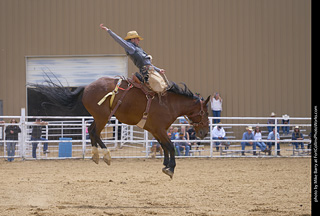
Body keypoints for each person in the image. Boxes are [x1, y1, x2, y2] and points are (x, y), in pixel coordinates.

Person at [100, 24, 165, 83]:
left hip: (150, 71)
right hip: (146, 73)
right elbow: (119, 40)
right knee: (158, 85)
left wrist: (159, 70)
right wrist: (108, 30)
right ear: (132, 39)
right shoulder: (130, 47)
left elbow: (147, 63)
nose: (139, 40)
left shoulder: (138, 48)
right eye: (137, 38)